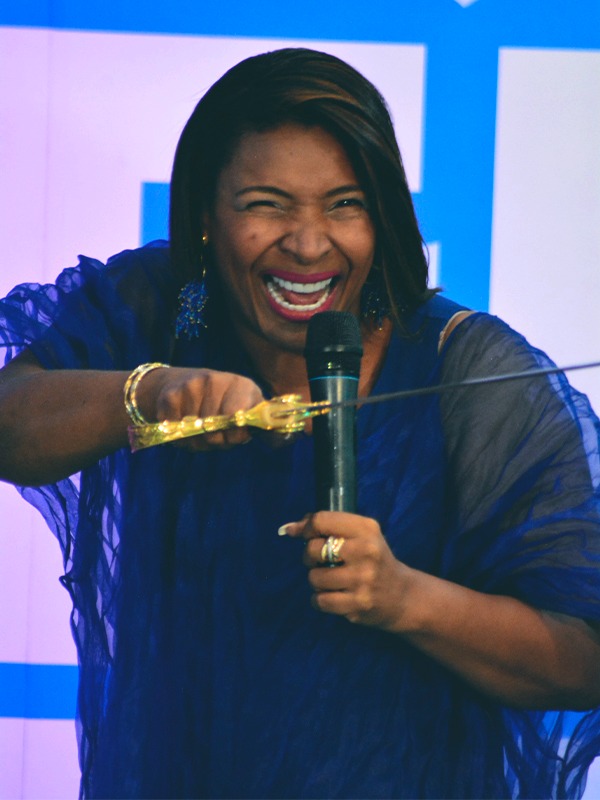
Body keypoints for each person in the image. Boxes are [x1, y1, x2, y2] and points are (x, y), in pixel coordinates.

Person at [0, 47, 599, 799]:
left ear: (383, 216)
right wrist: (144, 392)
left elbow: (583, 658)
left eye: (345, 204)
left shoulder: (468, 369)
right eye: (266, 204)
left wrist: (406, 599)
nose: (309, 243)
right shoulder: (163, 304)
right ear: (204, 217)